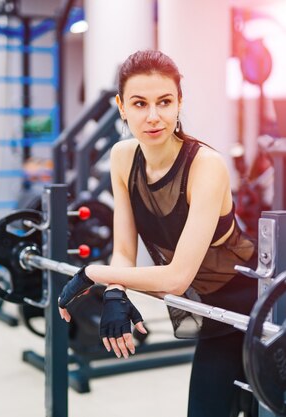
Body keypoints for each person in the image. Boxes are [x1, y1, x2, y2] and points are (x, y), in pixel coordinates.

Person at [57, 49, 258, 417]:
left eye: (164, 102)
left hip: (251, 306)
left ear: (180, 102)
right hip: (208, 308)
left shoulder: (205, 166)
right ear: (121, 107)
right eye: (139, 103)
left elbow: (177, 278)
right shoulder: (122, 158)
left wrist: (93, 275)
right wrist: (115, 293)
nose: (153, 116)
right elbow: (123, 250)